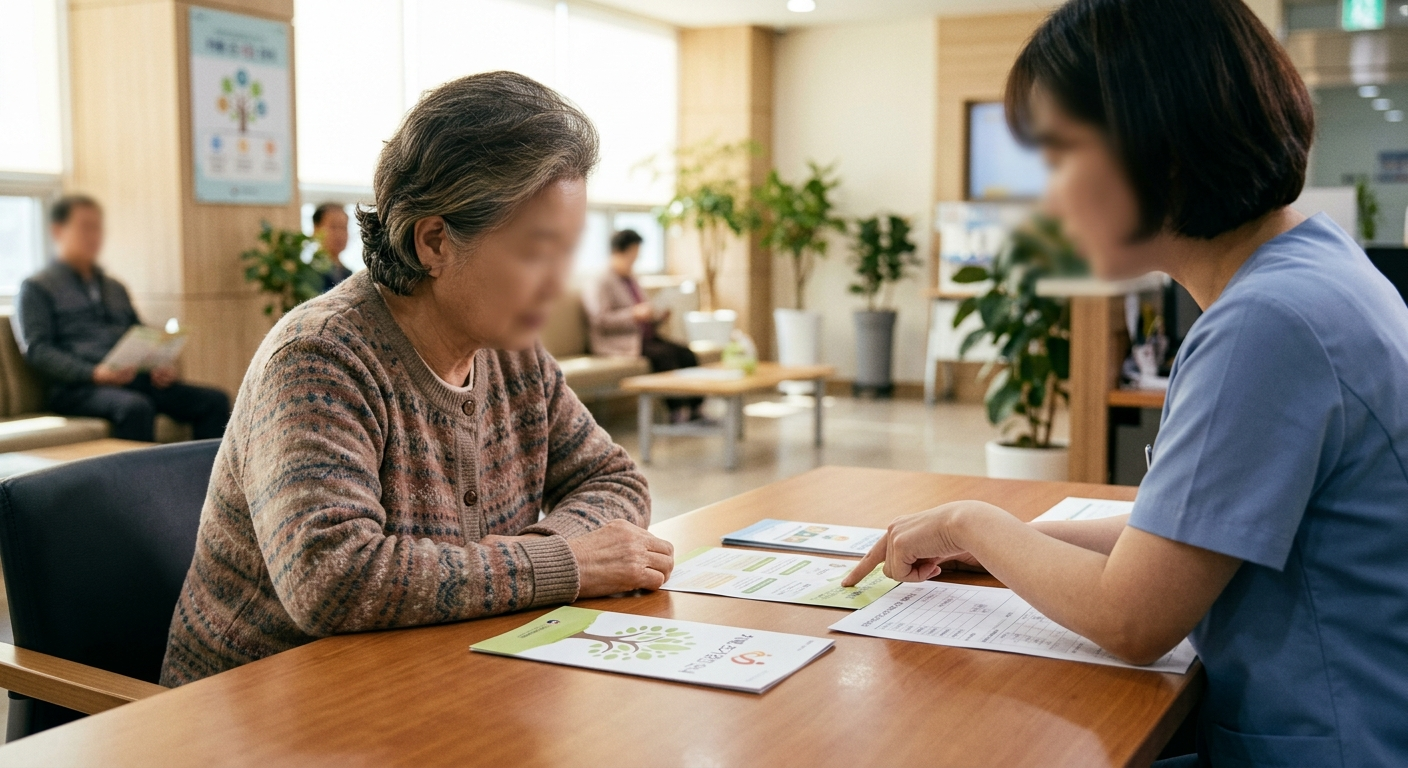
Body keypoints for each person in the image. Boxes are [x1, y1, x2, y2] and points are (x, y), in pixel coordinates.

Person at [842, 1, 1408, 765]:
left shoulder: (1266, 324)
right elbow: (1180, 537)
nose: (1048, 200)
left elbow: (1133, 620)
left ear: (1156, 144)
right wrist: (1003, 546)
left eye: (1059, 156)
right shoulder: (1314, 268)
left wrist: (974, 524)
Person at [161, 71, 674, 686]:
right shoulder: (318, 358)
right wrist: (562, 563)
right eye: (538, 252)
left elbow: (614, 480)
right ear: (434, 242)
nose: (558, 283)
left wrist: (547, 558)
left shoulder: (514, 353)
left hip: (440, 678)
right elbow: (331, 578)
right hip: (260, 704)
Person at [14, 195, 231, 442]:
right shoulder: (36, 287)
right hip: (79, 388)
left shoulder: (114, 287)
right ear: (58, 231)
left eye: (98, 228)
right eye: (85, 227)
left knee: (214, 401)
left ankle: (209, 469)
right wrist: (94, 373)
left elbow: (139, 333)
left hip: (133, 380)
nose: (94, 236)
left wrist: (159, 364)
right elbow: (38, 349)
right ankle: (140, 471)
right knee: (135, 408)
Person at [583, 229, 703, 423]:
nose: (634, 262)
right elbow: (600, 320)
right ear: (617, 252)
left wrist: (658, 316)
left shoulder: (631, 279)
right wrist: (633, 314)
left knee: (686, 353)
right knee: (664, 356)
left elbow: (644, 311)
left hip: (645, 337)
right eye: (632, 257)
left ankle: (696, 409)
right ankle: (677, 411)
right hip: (619, 342)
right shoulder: (599, 282)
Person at [311, 202, 353, 290]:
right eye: (333, 227)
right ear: (316, 229)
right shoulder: (308, 273)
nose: (339, 234)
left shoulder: (350, 275)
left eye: (344, 227)